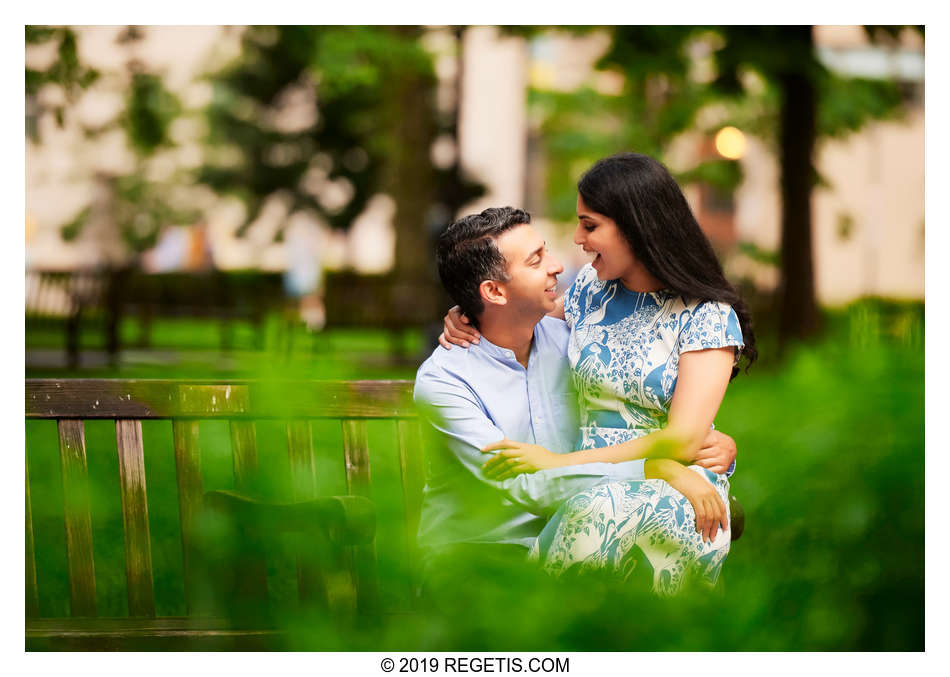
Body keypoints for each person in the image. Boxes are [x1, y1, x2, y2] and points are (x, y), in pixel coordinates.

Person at [440, 153, 757, 595]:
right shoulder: (592, 290)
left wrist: (557, 463)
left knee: (597, 516)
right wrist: (464, 312)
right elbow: (513, 307)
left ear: (636, 225)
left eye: (590, 226)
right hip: (592, 483)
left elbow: (684, 441)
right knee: (591, 513)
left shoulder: (706, 317)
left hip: (675, 484)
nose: (578, 240)